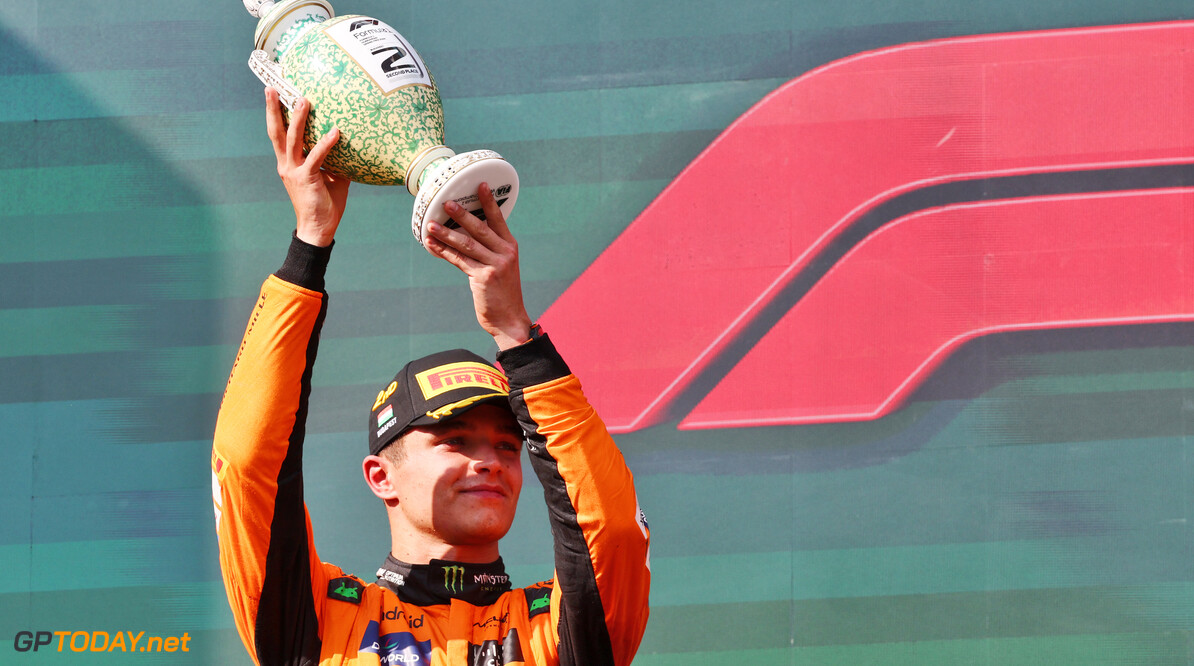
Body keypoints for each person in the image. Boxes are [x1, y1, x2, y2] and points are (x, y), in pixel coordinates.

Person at [210, 88, 651, 666]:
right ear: (379, 476)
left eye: (505, 444)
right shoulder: (319, 621)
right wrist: (309, 243)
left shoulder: (557, 633)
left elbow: (611, 531)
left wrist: (518, 339)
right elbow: (248, 468)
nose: (489, 460)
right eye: (454, 440)